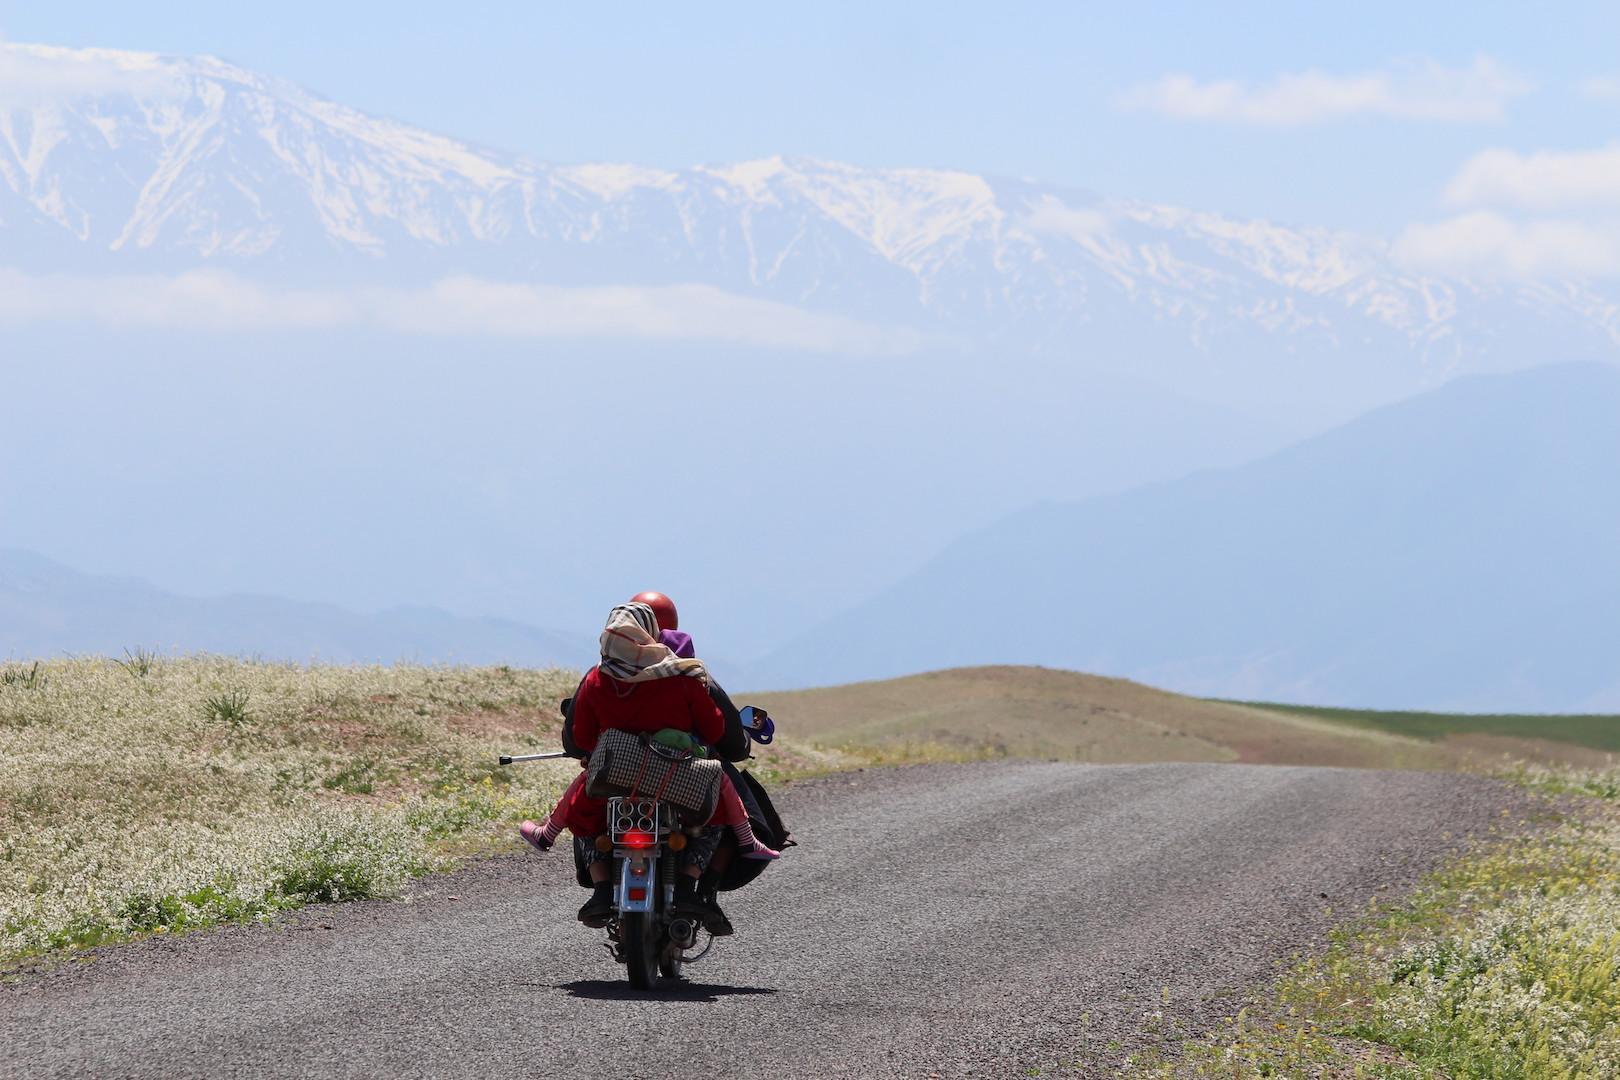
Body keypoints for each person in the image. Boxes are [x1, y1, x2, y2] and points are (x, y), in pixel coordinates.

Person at [518, 601, 778, 925]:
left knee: (585, 815)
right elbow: (715, 729)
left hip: (617, 775)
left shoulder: (597, 680)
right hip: (677, 775)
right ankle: (689, 884)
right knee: (713, 816)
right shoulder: (681, 676)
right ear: (652, 633)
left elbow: (581, 739)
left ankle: (600, 888)